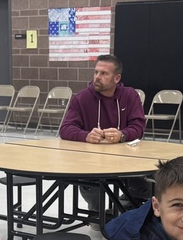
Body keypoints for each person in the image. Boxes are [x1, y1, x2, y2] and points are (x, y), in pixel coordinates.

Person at [59, 54, 148, 216]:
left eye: (104, 73)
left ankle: (122, 206)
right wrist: (85, 136)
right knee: (89, 185)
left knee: (148, 184)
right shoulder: (82, 98)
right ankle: (98, 214)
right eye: (96, 72)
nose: (97, 77)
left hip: (127, 160)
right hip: (92, 162)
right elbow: (65, 129)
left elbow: (139, 127)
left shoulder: (130, 96)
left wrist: (122, 134)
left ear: (117, 78)